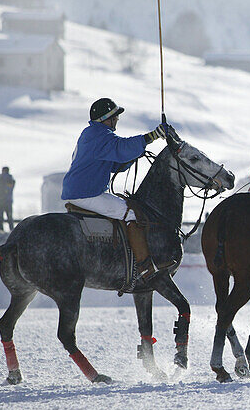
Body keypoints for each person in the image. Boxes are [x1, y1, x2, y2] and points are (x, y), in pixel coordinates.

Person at [61, 97, 169, 290]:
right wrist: (151, 137)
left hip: (79, 191)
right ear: (106, 118)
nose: (117, 120)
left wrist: (136, 152)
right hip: (86, 193)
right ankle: (145, 267)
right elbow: (121, 148)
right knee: (132, 213)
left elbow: (116, 162)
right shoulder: (99, 135)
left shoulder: (94, 134)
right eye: (115, 116)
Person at [0, 167, 16, 231]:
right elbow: (10, 189)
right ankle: (11, 230)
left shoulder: (0, 180)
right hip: (8, 201)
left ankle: (1, 230)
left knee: (0, 218)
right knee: (10, 217)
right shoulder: (11, 180)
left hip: (0, 202)